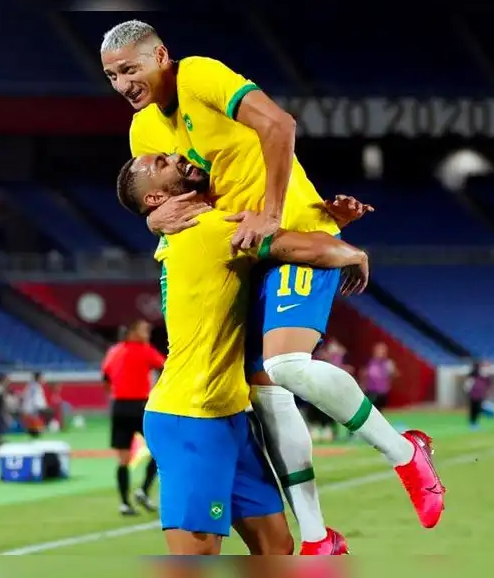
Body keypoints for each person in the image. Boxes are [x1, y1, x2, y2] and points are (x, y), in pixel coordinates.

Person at [102, 19, 445, 547]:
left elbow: (279, 125)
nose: (122, 84)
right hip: (242, 246)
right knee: (263, 394)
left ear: (161, 55)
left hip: (285, 231)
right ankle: (317, 536)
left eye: (129, 69)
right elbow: (163, 196)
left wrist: (275, 213)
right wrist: (152, 220)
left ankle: (405, 453)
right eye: (111, 76)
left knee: (286, 366)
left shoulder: (199, 76)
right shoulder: (143, 131)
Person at [115, 156, 371, 556]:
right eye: (162, 162)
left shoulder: (195, 228)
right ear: (155, 198)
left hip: (231, 416)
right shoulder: (206, 230)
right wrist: (355, 253)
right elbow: (307, 249)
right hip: (190, 418)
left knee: (277, 548)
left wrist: (333, 222)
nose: (177, 156)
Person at [102, 319, 166, 516]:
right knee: (160, 450)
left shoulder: (114, 351)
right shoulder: (145, 350)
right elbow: (165, 368)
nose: (147, 333)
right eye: (143, 329)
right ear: (132, 332)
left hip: (119, 406)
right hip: (140, 406)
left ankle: (124, 503)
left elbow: (105, 378)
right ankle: (143, 490)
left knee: (123, 458)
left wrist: (115, 393)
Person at [361, 343, 397, 411]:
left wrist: (391, 376)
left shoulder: (388, 363)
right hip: (370, 390)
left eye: (383, 351)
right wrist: (363, 384)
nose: (381, 353)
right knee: (370, 409)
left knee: (379, 410)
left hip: (382, 391)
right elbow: (363, 374)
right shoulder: (370, 362)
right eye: (379, 351)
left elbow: (393, 374)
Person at [464, 361, 494, 429]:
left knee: (477, 409)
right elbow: (468, 385)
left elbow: (487, 386)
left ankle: (475, 423)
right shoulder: (474, 375)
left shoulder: (486, 378)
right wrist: (468, 391)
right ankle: (472, 423)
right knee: (474, 409)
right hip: (473, 395)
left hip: (479, 395)